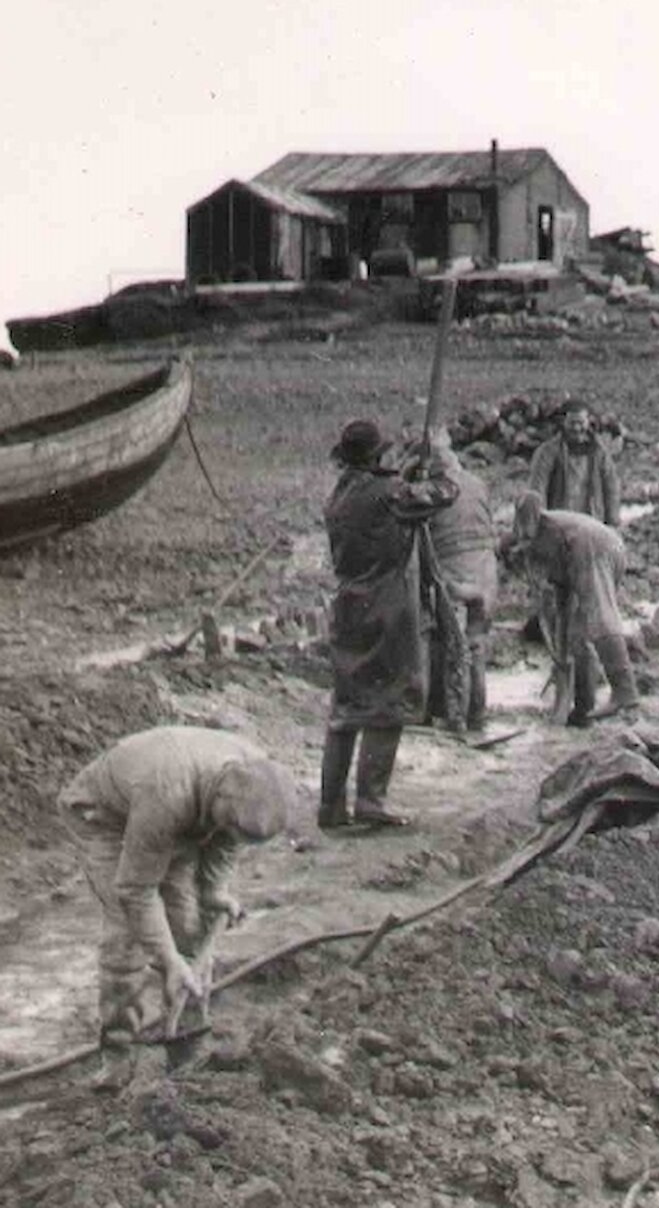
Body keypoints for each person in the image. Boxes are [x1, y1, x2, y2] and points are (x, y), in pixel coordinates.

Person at [59, 727, 296, 1042]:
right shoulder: (167, 795)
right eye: (228, 827)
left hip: (175, 813)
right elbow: (137, 891)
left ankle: (186, 1029)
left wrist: (214, 892)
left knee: (188, 918)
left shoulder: (257, 777)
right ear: (219, 799)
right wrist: (169, 959)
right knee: (127, 928)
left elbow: (226, 842)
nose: (230, 837)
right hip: (103, 817)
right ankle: (119, 1041)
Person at [324, 419, 456, 830]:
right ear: (377, 456)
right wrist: (437, 467)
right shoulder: (387, 493)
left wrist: (404, 475)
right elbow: (443, 495)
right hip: (387, 604)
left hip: (348, 604)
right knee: (391, 699)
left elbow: (395, 497)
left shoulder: (340, 492)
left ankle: (330, 807)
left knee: (347, 707)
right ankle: (370, 800)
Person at [507, 492, 642, 726]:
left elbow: (529, 501)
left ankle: (625, 693)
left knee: (600, 616)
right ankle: (584, 710)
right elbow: (561, 598)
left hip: (593, 547)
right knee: (578, 634)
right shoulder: (540, 544)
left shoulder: (531, 535)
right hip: (598, 547)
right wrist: (560, 653)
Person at [418, 431, 497, 735]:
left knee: (451, 647)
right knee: (476, 645)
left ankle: (454, 718)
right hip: (486, 573)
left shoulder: (432, 490)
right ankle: (477, 714)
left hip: (453, 574)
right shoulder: (477, 484)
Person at [528, 398, 623, 526]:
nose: (577, 428)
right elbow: (537, 488)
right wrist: (540, 522)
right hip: (559, 523)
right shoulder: (547, 452)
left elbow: (611, 487)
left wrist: (613, 522)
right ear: (563, 422)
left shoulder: (600, 452)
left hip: (592, 522)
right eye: (572, 423)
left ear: (588, 422)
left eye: (581, 423)